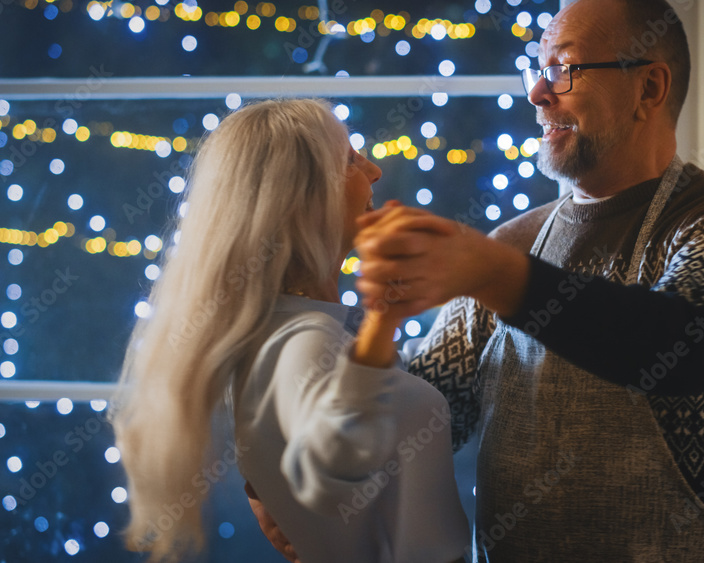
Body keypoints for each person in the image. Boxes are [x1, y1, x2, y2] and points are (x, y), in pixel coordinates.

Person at [351, 0, 704, 561]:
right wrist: (288, 487)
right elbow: (430, 416)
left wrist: (497, 276)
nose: (537, 93)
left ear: (649, 89)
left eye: (566, 68)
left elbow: (686, 344)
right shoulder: (510, 243)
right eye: (539, 69)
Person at [110, 98, 469, 563]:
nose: (375, 171)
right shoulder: (306, 341)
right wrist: (385, 316)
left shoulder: (291, 330)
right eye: (350, 160)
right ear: (303, 196)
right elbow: (332, 460)